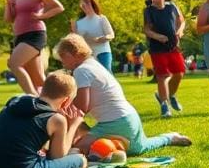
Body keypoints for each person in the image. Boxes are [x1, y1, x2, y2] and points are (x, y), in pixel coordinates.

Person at [54, 34, 190, 155]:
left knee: (74, 149)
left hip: (114, 123)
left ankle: (168, 138)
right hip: (129, 119)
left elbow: (82, 108)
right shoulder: (93, 64)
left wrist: (59, 110)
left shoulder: (81, 71)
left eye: (64, 58)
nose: (63, 63)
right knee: (139, 148)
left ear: (75, 53)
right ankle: (170, 137)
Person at [5, 0, 65, 95]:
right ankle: (62, 100)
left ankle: (32, 99)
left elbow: (59, 7)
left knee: (14, 64)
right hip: (19, 36)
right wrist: (9, 4)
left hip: (35, 34)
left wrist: (41, 16)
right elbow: (8, 19)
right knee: (38, 80)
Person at [142, 0, 186, 117]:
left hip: (173, 46)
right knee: (162, 76)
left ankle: (171, 95)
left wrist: (180, 31)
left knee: (179, 73)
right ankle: (164, 106)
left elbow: (181, 21)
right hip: (157, 48)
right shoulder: (148, 11)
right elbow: (147, 30)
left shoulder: (172, 7)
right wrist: (157, 36)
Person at [70, 0, 116, 72]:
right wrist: (73, 30)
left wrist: (103, 38)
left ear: (93, 4)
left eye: (87, 3)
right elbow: (77, 41)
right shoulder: (79, 23)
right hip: (88, 54)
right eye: (82, 4)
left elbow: (111, 35)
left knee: (107, 73)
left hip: (103, 51)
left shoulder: (101, 18)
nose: (84, 5)